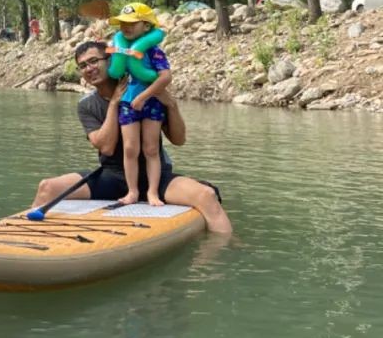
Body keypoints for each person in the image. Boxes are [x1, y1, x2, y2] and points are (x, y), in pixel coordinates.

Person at [28, 40, 232, 233]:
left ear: (110, 61)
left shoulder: (145, 91)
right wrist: (115, 102)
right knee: (47, 187)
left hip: (155, 176)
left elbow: (179, 140)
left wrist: (171, 105)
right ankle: (25, 238)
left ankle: (223, 253)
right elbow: (106, 147)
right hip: (113, 176)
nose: (89, 69)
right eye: (82, 66)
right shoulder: (87, 105)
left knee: (206, 195)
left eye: (93, 61)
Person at [106, 3, 171, 206]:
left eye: (133, 23)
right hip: (127, 103)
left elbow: (166, 77)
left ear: (146, 26)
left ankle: (152, 192)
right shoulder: (121, 49)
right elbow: (114, 72)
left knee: (151, 149)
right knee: (130, 149)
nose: (126, 27)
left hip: (151, 102)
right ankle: (132, 192)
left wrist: (144, 97)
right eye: (123, 23)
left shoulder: (154, 52)